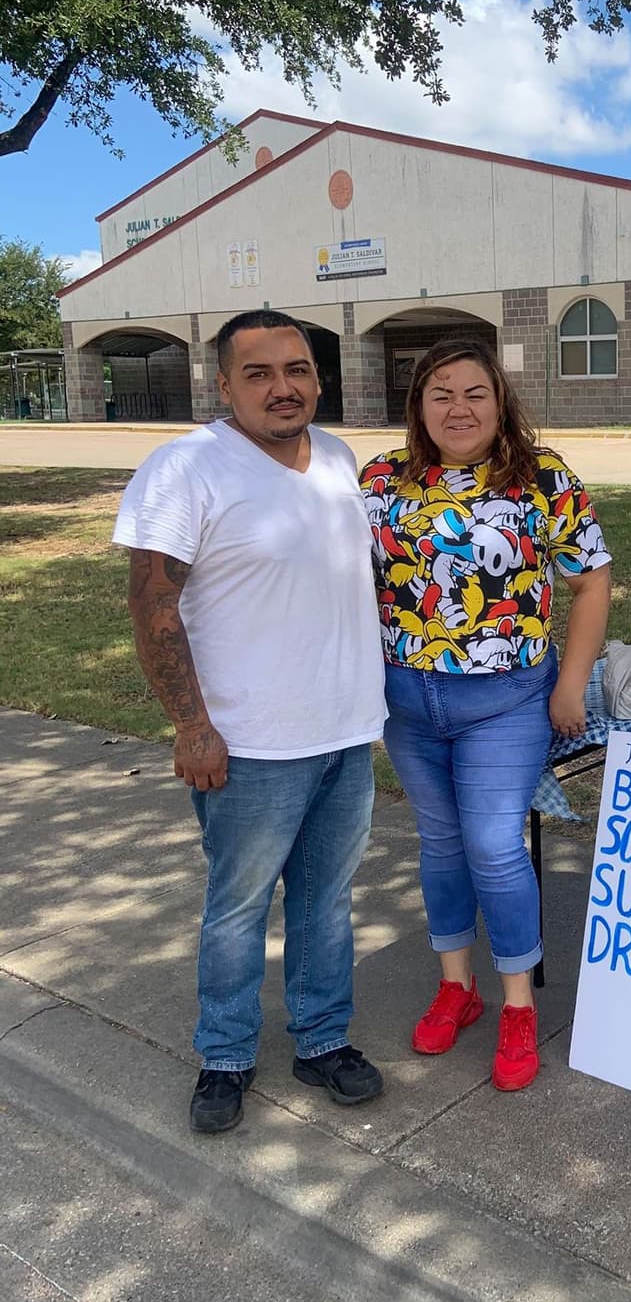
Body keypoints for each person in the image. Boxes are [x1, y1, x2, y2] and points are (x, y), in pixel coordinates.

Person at [116, 310, 386, 1134]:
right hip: (251, 744)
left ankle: (322, 1038)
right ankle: (226, 1055)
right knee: (237, 908)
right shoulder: (186, 469)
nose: (283, 387)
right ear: (223, 385)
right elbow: (151, 602)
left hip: (344, 732)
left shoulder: (339, 458)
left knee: (325, 901)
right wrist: (191, 725)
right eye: (259, 373)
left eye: (297, 369)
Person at [359, 338, 611, 1092]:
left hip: (505, 702)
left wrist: (569, 687)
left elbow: (592, 582)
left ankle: (516, 1003)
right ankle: (456, 986)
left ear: (500, 401)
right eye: (441, 393)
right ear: (418, 407)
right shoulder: (380, 481)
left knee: (496, 845)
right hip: (408, 703)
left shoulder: (541, 478)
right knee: (439, 844)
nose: (458, 407)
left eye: (475, 392)